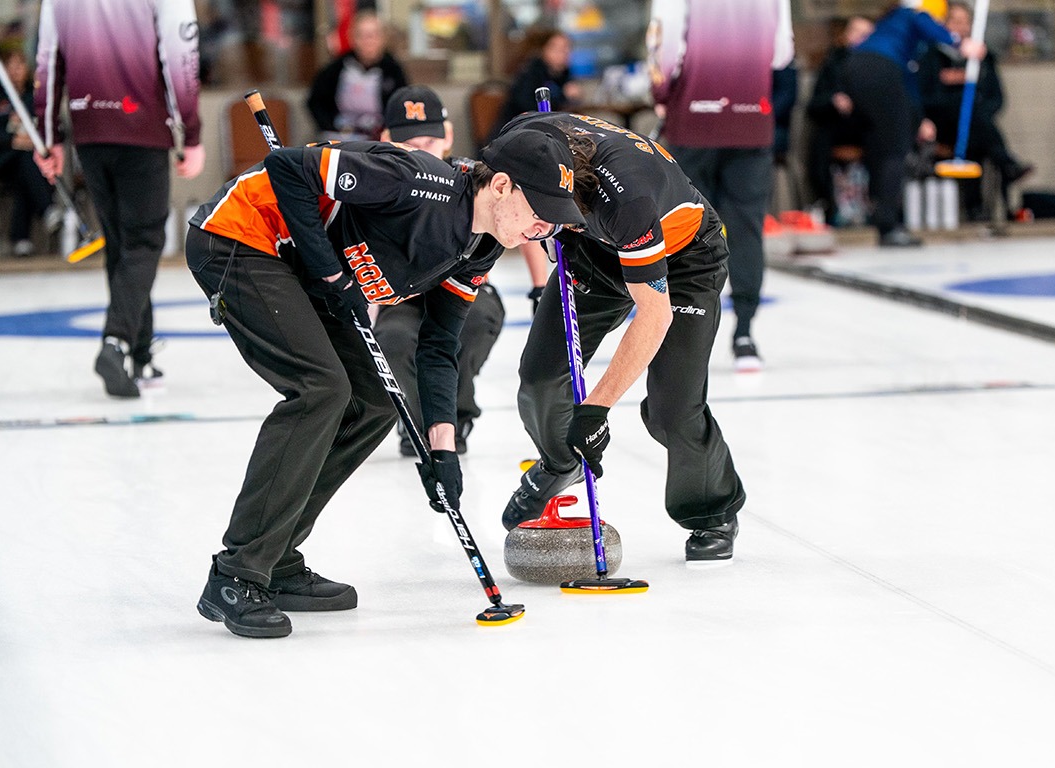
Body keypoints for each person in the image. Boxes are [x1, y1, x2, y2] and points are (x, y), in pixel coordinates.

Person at [184, 127, 585, 638]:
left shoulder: (479, 246)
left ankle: (275, 556)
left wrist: (442, 450)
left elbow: (438, 345)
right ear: (502, 185)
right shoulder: (417, 181)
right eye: (540, 211)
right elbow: (286, 167)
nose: (543, 228)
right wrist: (333, 276)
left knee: (373, 402)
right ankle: (236, 574)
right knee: (321, 389)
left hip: (298, 267)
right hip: (240, 237)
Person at [497, 110, 747, 563]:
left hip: (682, 259)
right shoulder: (522, 142)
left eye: (545, 216)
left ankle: (711, 510)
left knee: (673, 408)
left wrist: (595, 409)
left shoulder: (628, 200)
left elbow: (654, 314)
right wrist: (555, 230)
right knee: (540, 377)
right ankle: (562, 463)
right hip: (593, 249)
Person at [33, 0, 205, 398]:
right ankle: (116, 343)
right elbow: (181, 53)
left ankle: (139, 354)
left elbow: (47, 61)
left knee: (122, 245)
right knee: (143, 242)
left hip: (90, 131)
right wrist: (191, 133)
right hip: (141, 128)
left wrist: (49, 136)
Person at [373, 85, 549, 456]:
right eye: (409, 144)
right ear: (386, 139)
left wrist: (539, 287)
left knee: (473, 324)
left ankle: (456, 415)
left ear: (448, 136)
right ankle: (417, 421)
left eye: (429, 142)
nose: (422, 152)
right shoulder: (380, 184)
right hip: (403, 297)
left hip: (466, 291)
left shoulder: (472, 177)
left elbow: (521, 218)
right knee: (394, 339)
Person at [648, 0, 794, 372]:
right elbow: (782, 53)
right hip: (750, 117)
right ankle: (744, 332)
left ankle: (683, 333)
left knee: (685, 229)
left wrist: (661, 95)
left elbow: (663, 44)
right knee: (746, 228)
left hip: (694, 118)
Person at [838, 0, 984, 247]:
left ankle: (882, 213)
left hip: (855, 70)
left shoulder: (895, 33)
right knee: (896, 148)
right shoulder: (913, 14)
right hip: (879, 71)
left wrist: (918, 120)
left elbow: (907, 84)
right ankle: (888, 225)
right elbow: (923, 22)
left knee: (880, 142)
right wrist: (959, 43)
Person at [918, 1, 1034, 221]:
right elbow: (925, 99)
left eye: (965, 21)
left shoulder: (982, 59)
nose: (960, 26)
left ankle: (979, 209)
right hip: (942, 127)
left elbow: (996, 98)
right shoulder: (931, 57)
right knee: (969, 112)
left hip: (977, 127)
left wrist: (978, 112)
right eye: (955, 21)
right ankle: (1007, 164)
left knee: (976, 129)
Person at [0, 40, 56, 257]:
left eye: (20, 65)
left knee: (26, 169)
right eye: (10, 65)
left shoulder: (33, 97)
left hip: (29, 159)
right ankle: (47, 209)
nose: (16, 70)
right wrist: (11, 140)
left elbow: (50, 126)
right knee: (26, 162)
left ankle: (21, 239)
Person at [805, 16, 874, 223]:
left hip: (866, 128)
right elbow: (813, 106)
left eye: (866, 35)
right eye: (857, 33)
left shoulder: (878, 66)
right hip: (835, 126)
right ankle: (828, 205)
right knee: (820, 144)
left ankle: (874, 208)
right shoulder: (832, 64)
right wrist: (833, 100)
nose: (860, 39)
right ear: (846, 36)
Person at [305, 10, 408, 142]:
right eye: (361, 35)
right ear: (352, 38)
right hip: (340, 136)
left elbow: (402, 105)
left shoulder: (393, 71)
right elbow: (315, 101)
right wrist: (328, 126)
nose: (368, 41)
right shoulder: (336, 68)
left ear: (383, 38)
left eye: (373, 35)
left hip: (379, 138)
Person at [493, 28, 582, 140]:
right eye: (558, 49)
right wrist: (563, 95)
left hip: (545, 133)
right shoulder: (530, 72)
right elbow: (529, 107)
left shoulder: (564, 74)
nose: (565, 53)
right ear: (543, 49)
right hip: (516, 134)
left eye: (567, 48)